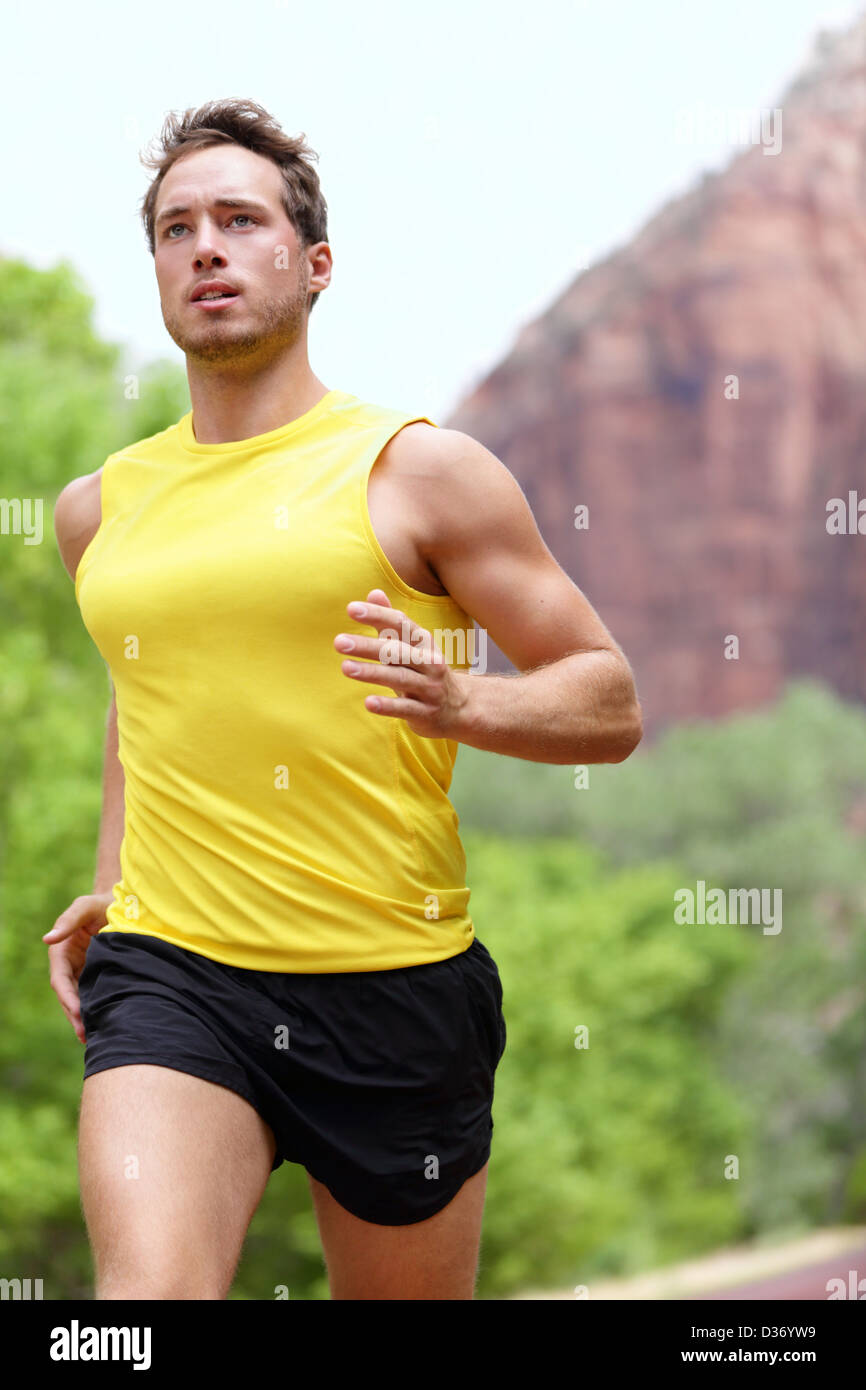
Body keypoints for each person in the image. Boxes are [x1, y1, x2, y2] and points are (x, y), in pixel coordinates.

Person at [47, 98, 643, 1301]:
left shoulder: (418, 470)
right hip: (174, 973)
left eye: (238, 220)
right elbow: (138, 691)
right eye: (175, 229)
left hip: (392, 985)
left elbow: (608, 700)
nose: (205, 248)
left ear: (313, 264)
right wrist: (114, 879)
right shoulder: (98, 508)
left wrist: (463, 702)